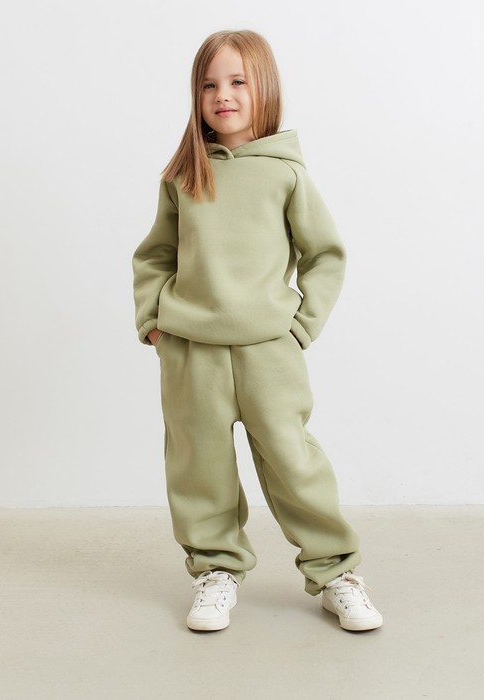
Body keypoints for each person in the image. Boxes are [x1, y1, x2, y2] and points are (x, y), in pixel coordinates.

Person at [132, 29, 382, 633]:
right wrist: (154, 323)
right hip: (191, 350)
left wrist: (301, 327)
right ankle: (215, 571)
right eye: (209, 85)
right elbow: (155, 256)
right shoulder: (182, 176)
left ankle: (336, 572)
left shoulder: (285, 173)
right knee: (199, 465)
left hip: (268, 349)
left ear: (264, 88)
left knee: (293, 461)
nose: (222, 95)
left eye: (237, 81)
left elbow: (324, 255)